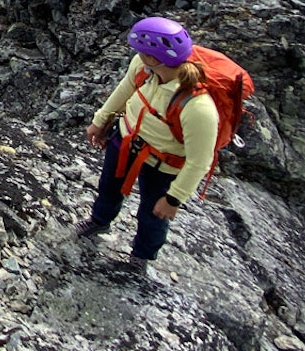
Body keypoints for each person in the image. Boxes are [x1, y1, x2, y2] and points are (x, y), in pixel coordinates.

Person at [75, 16, 220, 272]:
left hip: (163, 163)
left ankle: (142, 257)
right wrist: (101, 121)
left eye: (141, 52)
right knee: (109, 186)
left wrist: (174, 199)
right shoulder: (144, 68)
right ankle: (99, 220)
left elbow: (200, 161)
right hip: (125, 139)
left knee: (154, 213)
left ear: (154, 58)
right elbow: (125, 89)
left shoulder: (198, 107)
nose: (137, 55)